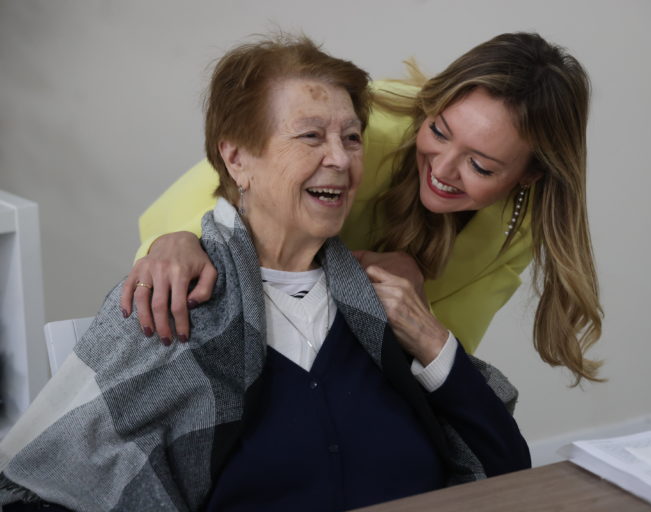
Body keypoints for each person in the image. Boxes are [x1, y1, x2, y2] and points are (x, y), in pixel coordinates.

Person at [0, 36, 529, 511]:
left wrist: (437, 345)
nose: (341, 160)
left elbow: (507, 470)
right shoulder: (174, 306)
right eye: (310, 137)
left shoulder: (382, 309)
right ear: (236, 158)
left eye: (351, 138)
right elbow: (35, 492)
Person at [123, 32, 604, 384]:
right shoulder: (360, 130)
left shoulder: (517, 228)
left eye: (480, 165)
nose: (443, 168)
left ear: (529, 176)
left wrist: (416, 296)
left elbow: (436, 356)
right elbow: (236, 168)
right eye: (438, 131)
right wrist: (179, 240)